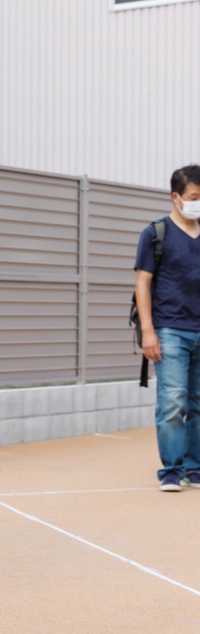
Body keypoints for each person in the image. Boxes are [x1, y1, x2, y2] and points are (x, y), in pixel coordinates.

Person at [133, 164, 200, 492]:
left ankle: (194, 467)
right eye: (194, 197)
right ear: (176, 197)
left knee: (198, 403)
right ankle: (172, 470)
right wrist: (148, 331)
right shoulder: (155, 233)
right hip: (171, 329)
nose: (198, 203)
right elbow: (142, 284)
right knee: (173, 400)